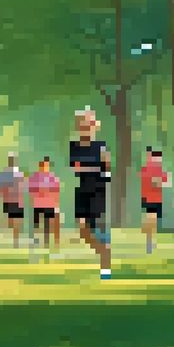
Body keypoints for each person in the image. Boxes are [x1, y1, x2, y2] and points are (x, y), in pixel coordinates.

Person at [70, 107, 113, 279]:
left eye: (88, 124)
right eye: (82, 124)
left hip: (97, 191)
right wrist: (97, 167)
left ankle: (105, 267)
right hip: (82, 190)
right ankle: (103, 250)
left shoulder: (101, 147)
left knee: (95, 229)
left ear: (94, 126)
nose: (85, 127)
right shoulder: (74, 146)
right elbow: (75, 168)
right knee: (82, 231)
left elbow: (107, 172)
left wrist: (101, 168)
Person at [139, 147, 171, 255]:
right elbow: (147, 181)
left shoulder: (160, 170)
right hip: (149, 198)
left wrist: (160, 183)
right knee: (151, 219)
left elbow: (166, 183)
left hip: (157, 198)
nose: (157, 159)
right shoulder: (146, 169)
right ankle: (149, 242)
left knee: (154, 221)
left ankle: (151, 240)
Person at [28, 158, 60, 251]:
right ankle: (36, 239)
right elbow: (31, 190)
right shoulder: (35, 177)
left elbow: (56, 192)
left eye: (46, 165)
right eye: (43, 165)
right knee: (36, 222)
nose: (44, 167)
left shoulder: (52, 178)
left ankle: (46, 240)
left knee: (47, 223)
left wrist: (56, 204)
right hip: (37, 204)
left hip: (49, 204)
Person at [0, 153, 26, 247]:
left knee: (15, 220)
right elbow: (1, 188)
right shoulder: (7, 174)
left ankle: (15, 239)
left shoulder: (18, 173)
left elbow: (22, 186)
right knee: (13, 220)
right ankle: (14, 237)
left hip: (15, 200)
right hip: (11, 200)